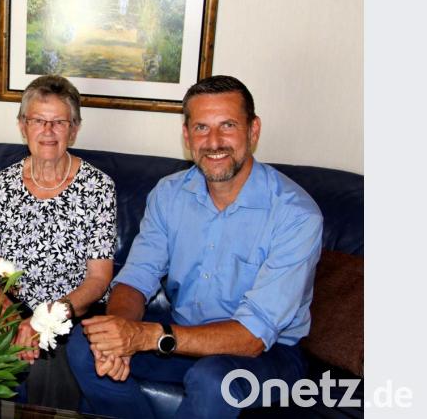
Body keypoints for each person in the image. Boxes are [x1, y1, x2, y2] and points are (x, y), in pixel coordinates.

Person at [67, 75, 323, 418]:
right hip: (182, 334)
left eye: (228, 125)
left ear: (253, 130)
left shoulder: (296, 215)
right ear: (187, 136)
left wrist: (145, 337)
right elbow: (136, 277)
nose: (214, 141)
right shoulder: (169, 193)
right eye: (201, 128)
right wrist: (118, 336)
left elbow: (252, 337)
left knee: (213, 379)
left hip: (268, 354)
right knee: (85, 344)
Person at [0, 75, 116, 410]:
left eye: (59, 122)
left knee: (46, 361)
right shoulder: (1, 186)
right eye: (38, 120)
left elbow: (98, 279)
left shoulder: (98, 188)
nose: (48, 131)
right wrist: (9, 320)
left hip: (70, 311)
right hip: (11, 308)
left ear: (74, 130)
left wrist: (45, 320)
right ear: (23, 126)